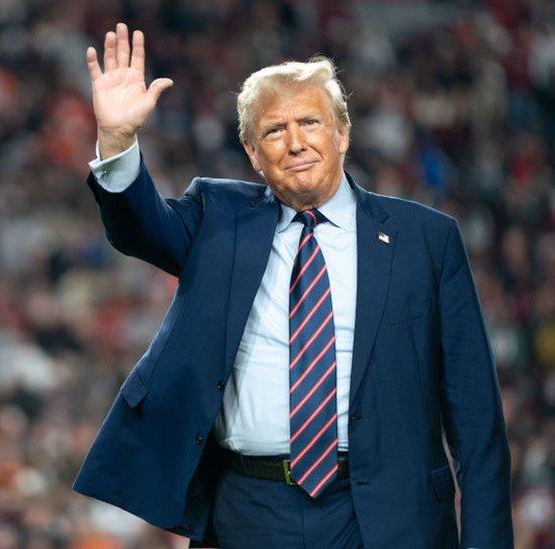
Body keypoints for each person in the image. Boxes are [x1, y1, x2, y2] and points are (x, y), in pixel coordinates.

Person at [72, 23, 513, 548]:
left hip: (389, 516)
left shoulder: (427, 240)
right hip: (248, 511)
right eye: (274, 130)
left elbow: (476, 422)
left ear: (342, 133)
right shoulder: (218, 218)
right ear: (253, 153)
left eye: (310, 122)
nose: (296, 142)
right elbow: (139, 227)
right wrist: (119, 140)